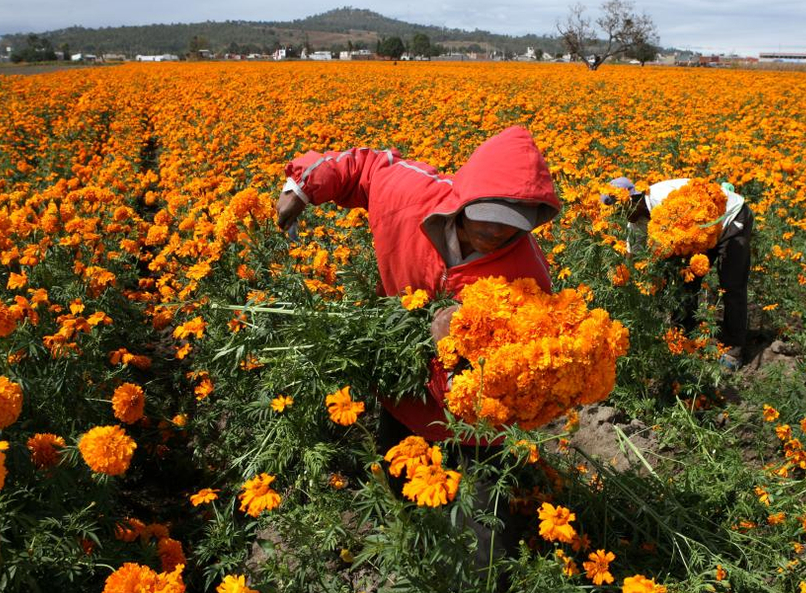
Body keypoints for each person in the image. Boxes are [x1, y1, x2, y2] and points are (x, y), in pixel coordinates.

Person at [276, 126, 561, 574]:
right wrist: (303, 187)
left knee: (482, 549)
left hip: (475, 424)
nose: (496, 233)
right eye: (487, 217)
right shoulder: (410, 194)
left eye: (513, 226)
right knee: (404, 495)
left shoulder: (527, 274)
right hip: (406, 391)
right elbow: (364, 165)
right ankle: (417, 556)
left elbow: (529, 366)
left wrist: (470, 338)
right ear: (462, 200)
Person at [604, 177, 753, 369]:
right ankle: (683, 337)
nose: (622, 216)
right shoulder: (636, 220)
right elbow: (633, 258)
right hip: (698, 230)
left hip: (731, 218)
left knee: (731, 284)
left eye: (622, 210)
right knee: (686, 279)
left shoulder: (666, 197)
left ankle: (734, 347)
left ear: (634, 199)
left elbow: (699, 219)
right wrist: (625, 283)